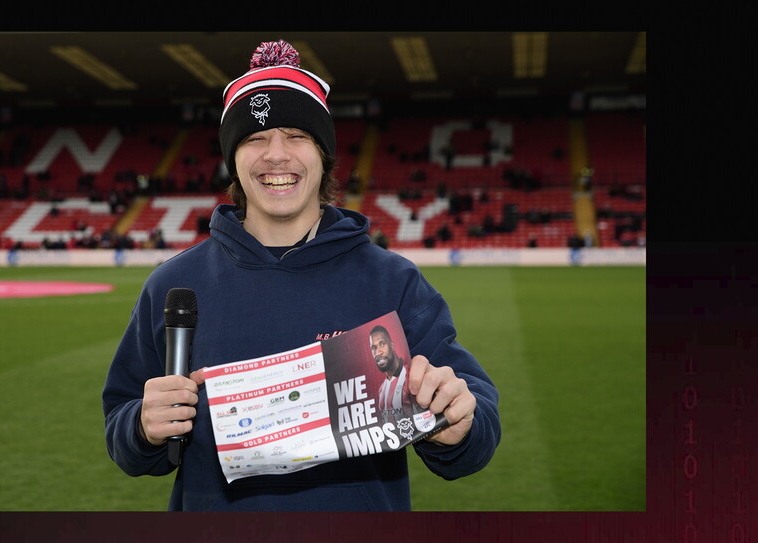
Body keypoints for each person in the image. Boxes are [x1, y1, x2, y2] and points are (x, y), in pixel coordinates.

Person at [102, 39, 500, 512]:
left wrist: (459, 424)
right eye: (254, 138)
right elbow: (123, 426)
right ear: (233, 159)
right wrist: (141, 427)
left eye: (296, 135)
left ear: (323, 154)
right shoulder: (174, 286)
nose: (276, 155)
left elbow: (475, 422)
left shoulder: (391, 281)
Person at [370, 325, 420, 425]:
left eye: (382, 344)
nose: (378, 352)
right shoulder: (381, 389)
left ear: (392, 346)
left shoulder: (410, 377)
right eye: (374, 348)